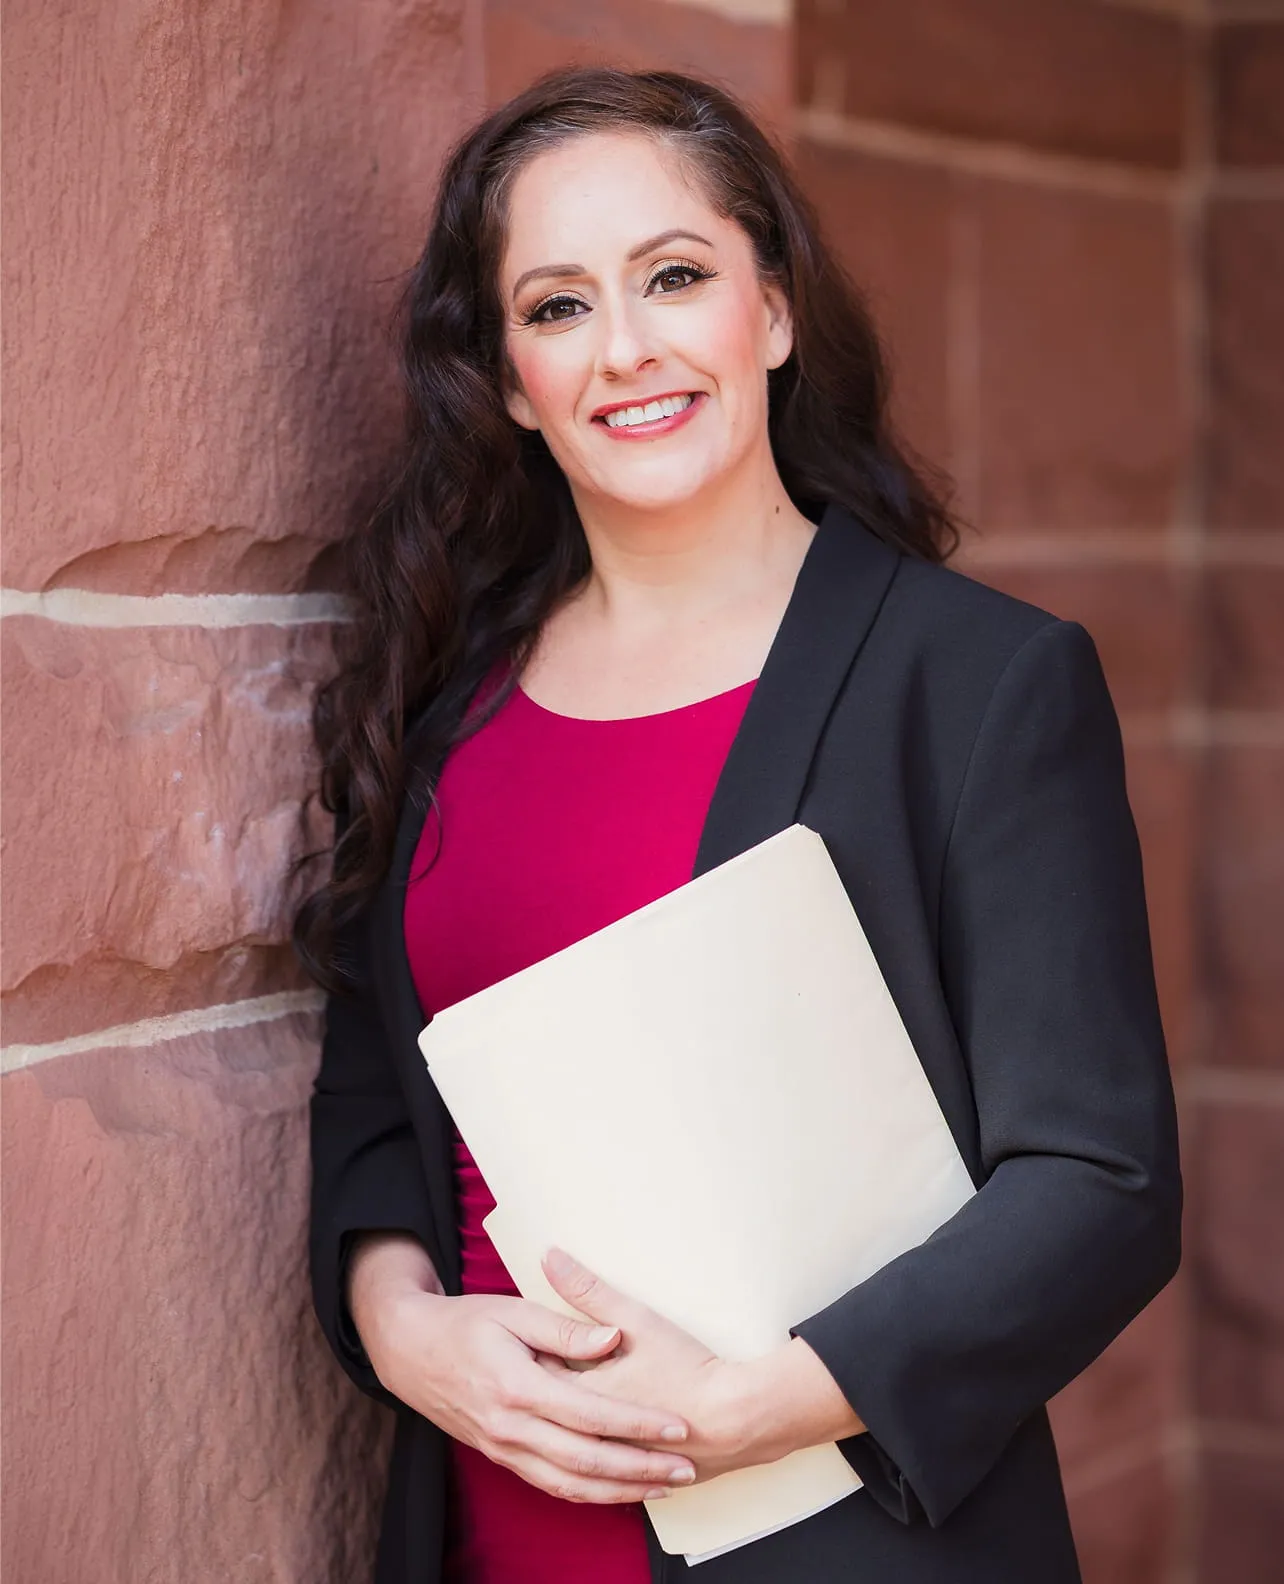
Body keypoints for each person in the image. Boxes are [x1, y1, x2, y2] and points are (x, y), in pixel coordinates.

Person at [296, 65, 1182, 1584]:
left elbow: (1099, 1188)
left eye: (677, 277)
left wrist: (751, 1408)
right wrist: (405, 1329)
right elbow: (383, 1085)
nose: (626, 347)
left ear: (772, 313)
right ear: (510, 378)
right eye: (559, 306)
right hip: (483, 1538)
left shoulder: (977, 684)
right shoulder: (449, 699)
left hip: (842, 1536)